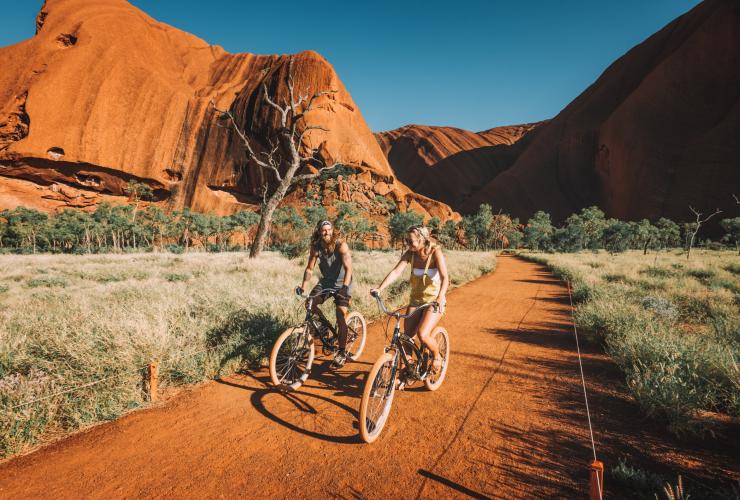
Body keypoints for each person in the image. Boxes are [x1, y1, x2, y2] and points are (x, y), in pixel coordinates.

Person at [370, 224, 449, 372]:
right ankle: (410, 369)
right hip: (416, 300)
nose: (408, 243)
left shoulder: (435, 252)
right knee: (406, 338)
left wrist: (441, 297)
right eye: (406, 240)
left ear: (422, 239)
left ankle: (437, 356)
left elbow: (445, 278)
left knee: (423, 335)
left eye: (411, 241)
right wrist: (379, 289)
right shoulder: (410, 253)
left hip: (434, 301)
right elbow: (396, 272)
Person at [297, 220, 353, 369]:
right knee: (309, 303)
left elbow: (349, 268)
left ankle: (342, 352)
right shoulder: (316, 247)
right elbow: (309, 269)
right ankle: (323, 329)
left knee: (340, 314)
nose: (327, 232)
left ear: (332, 230)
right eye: (324, 230)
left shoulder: (341, 245)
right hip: (326, 283)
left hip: (343, 283)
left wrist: (345, 287)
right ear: (319, 232)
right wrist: (303, 286)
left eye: (329, 229)